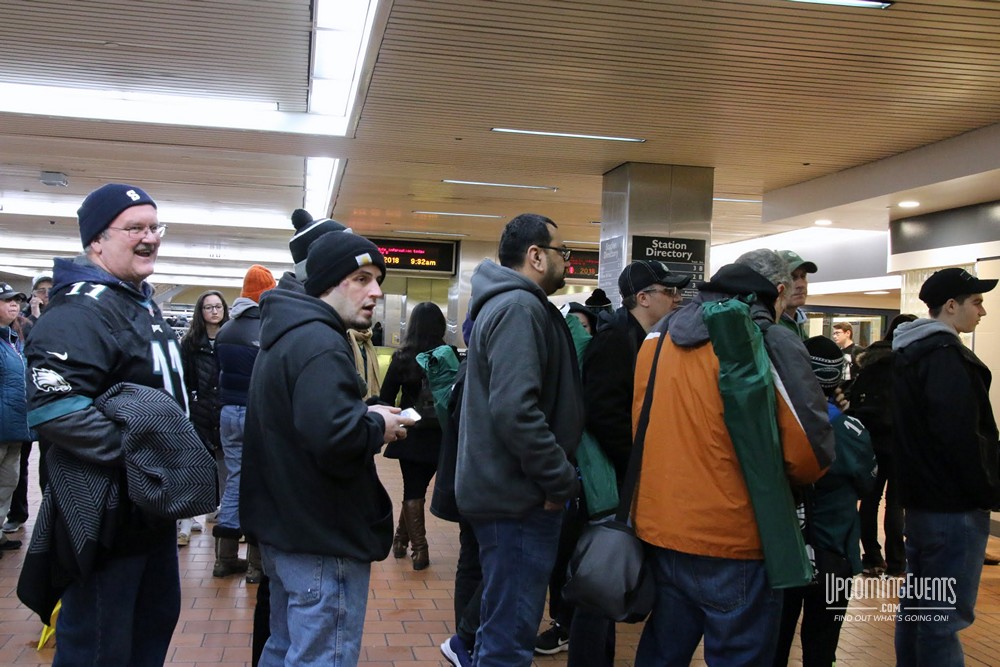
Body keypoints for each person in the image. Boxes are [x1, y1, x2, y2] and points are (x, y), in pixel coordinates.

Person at [632, 249, 835, 667]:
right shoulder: (767, 338)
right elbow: (807, 455)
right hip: (736, 536)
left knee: (662, 653)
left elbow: (641, 426)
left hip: (663, 527)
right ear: (777, 292)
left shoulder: (659, 336)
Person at [20, 183, 190, 664]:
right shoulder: (80, 309)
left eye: (155, 227)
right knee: (100, 644)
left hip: (149, 508)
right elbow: (57, 410)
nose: (150, 238)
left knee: (149, 627)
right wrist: (142, 459)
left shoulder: (134, 302)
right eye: (135, 228)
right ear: (96, 240)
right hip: (106, 513)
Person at [241, 231, 414, 666]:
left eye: (377, 280)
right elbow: (335, 439)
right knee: (321, 656)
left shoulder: (286, 332)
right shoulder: (320, 343)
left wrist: (362, 414)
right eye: (361, 279)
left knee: (282, 649)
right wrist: (376, 424)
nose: (376, 292)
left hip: (287, 531)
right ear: (328, 283)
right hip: (323, 537)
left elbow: (304, 422)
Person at [537, 260, 691, 662]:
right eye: (669, 292)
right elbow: (603, 414)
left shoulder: (647, 339)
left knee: (606, 582)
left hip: (619, 480)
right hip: (606, 485)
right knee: (601, 580)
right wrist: (639, 462)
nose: (676, 299)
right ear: (643, 298)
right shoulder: (616, 341)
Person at [457, 213, 584, 667]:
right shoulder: (519, 308)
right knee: (509, 641)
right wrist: (558, 479)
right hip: (519, 499)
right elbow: (516, 410)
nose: (567, 261)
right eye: (562, 252)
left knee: (499, 628)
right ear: (536, 256)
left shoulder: (510, 304)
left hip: (509, 493)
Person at [892, 267, 999, 666]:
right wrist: (987, 490)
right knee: (942, 619)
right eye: (977, 303)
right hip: (954, 507)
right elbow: (958, 437)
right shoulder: (946, 358)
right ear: (951, 306)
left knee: (919, 610)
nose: (982, 312)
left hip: (922, 503)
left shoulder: (908, 352)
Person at [773, 335, 876, 667]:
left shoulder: (777, 424)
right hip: (834, 553)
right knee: (822, 645)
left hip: (784, 555)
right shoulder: (851, 431)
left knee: (774, 643)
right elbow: (868, 484)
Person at [213, 265, 275, 581]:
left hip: (228, 412)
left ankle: (224, 558)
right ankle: (255, 565)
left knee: (235, 478)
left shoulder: (225, 330)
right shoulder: (267, 330)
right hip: (257, 412)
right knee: (260, 483)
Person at [380, 301, 447, 571]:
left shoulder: (402, 358)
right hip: (441, 435)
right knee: (418, 488)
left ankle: (419, 550)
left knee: (413, 488)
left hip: (412, 433)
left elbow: (385, 398)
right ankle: (401, 541)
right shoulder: (449, 356)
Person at [850, 313, 916, 578]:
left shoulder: (869, 362)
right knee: (895, 503)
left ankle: (871, 558)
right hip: (900, 442)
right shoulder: (909, 364)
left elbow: (855, 400)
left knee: (869, 500)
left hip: (871, 442)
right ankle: (897, 562)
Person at [178, 290, 230, 546]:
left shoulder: (230, 338)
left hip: (224, 410)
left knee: (226, 466)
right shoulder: (189, 343)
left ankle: (224, 514)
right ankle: (186, 523)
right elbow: (185, 379)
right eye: (208, 307)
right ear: (201, 311)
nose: (214, 311)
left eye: (218, 306)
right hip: (199, 412)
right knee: (194, 467)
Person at [0, 283, 29, 552]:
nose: (14, 305)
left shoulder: (13, 340)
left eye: (16, 301)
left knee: (8, 482)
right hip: (3, 425)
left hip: (14, 427)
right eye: (7, 300)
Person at [775, 250, 817, 340]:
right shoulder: (768, 326)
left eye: (803, 276)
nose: (801, 285)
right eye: (792, 277)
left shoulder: (799, 323)